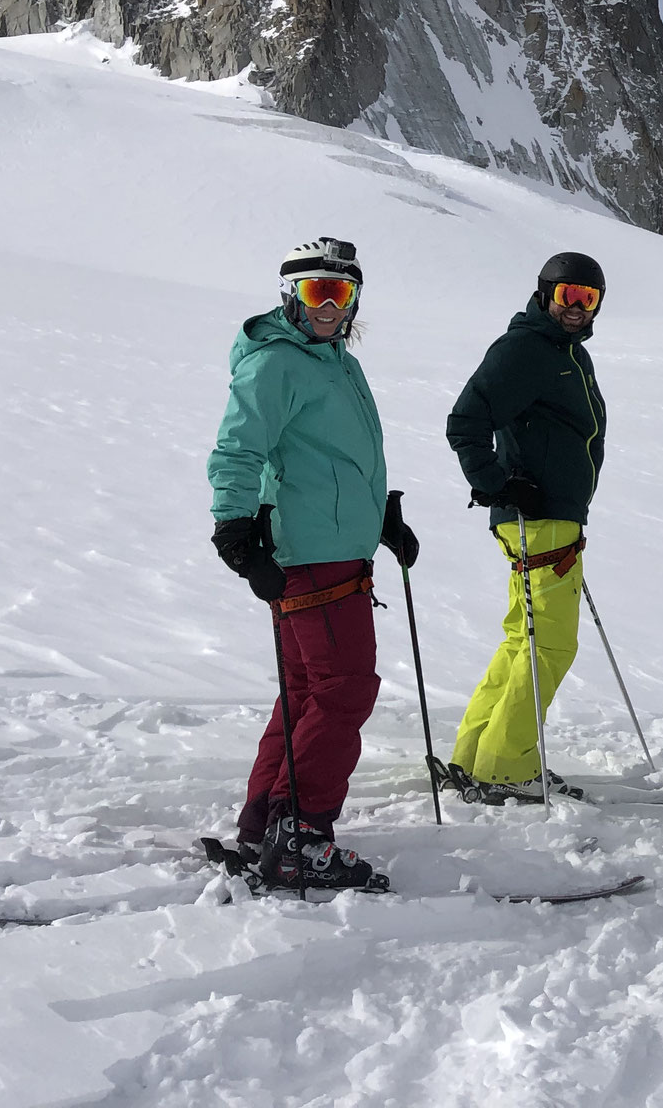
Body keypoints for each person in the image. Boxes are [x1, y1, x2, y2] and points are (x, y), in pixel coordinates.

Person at [207, 237, 417, 891]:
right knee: (343, 689)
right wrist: (235, 534)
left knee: (306, 693)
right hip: (312, 556)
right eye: (316, 292)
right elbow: (238, 450)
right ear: (290, 296)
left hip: (335, 546)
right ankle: (301, 836)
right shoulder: (276, 364)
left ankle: (265, 827)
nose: (329, 307)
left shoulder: (334, 360)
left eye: (341, 294)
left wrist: (379, 517)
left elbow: (333, 457)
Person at [443, 252, 608, 802]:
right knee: (551, 646)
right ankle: (506, 767)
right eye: (568, 296)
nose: (577, 309)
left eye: (589, 299)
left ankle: (475, 755)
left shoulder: (563, 354)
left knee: (523, 640)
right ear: (544, 295)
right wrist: (495, 483)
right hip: (538, 522)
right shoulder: (527, 350)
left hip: (546, 521)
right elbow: (467, 420)